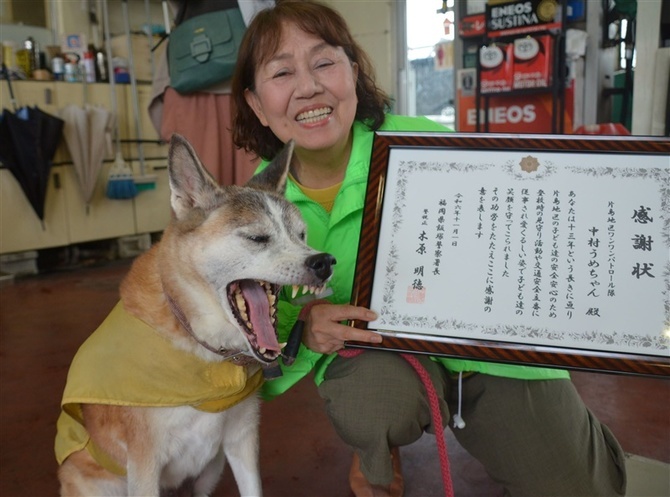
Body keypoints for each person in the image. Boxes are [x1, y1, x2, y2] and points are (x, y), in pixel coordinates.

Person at [231, 2, 627, 496]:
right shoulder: (249, 214)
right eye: (282, 72)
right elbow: (246, 326)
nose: (308, 86)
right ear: (255, 103)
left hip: (494, 350)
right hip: (378, 357)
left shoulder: (432, 148)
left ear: (353, 71)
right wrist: (305, 327)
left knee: (581, 487)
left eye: (324, 62)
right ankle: (377, 448)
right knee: (375, 407)